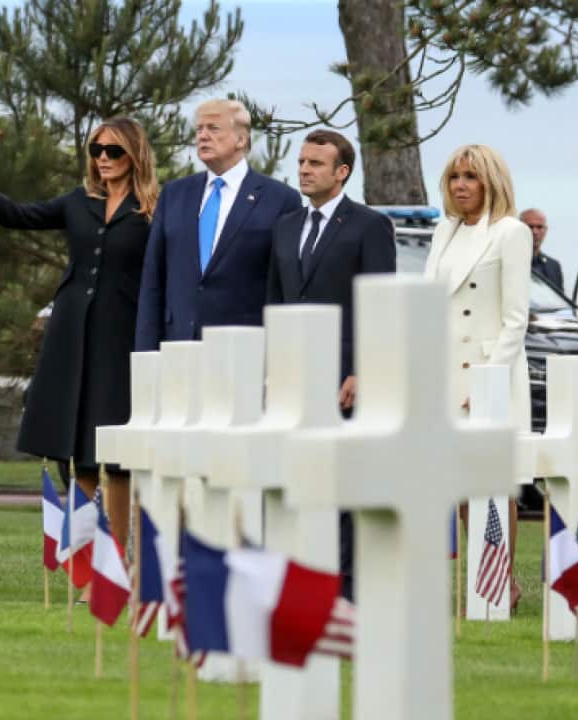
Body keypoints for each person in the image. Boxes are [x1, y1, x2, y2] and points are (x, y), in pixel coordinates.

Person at [0, 117, 159, 549]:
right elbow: (17, 216)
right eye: (97, 151)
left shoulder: (155, 208)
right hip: (71, 337)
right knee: (77, 452)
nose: (103, 159)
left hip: (122, 340)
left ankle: (117, 563)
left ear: (134, 154)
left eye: (113, 151)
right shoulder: (78, 201)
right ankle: (84, 567)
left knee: (115, 456)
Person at [266, 129, 395, 600]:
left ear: (341, 172)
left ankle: (345, 589)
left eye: (315, 163)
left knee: (342, 484)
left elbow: (380, 305)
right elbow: (275, 302)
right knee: (295, 480)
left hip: (345, 378)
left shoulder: (368, 225)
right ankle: (298, 577)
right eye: (301, 162)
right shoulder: (283, 227)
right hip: (291, 377)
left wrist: (363, 369)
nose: (304, 170)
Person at [424, 144, 532, 610]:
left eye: (471, 177)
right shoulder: (443, 231)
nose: (461, 185)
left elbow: (516, 317)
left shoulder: (510, 232)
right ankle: (482, 571)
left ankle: (500, 577)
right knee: (459, 481)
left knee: (492, 478)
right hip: (445, 372)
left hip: (489, 373)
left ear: (491, 182)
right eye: (454, 177)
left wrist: (486, 380)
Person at [135, 99, 301, 351]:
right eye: (199, 129)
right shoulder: (174, 194)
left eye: (213, 128)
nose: (203, 136)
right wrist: (146, 352)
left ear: (241, 140)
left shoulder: (280, 199)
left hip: (244, 350)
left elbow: (286, 286)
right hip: (177, 346)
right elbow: (153, 280)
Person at [521, 208, 565, 290]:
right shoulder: (508, 261)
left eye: (539, 227)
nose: (535, 232)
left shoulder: (553, 267)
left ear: (545, 230)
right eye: (530, 227)